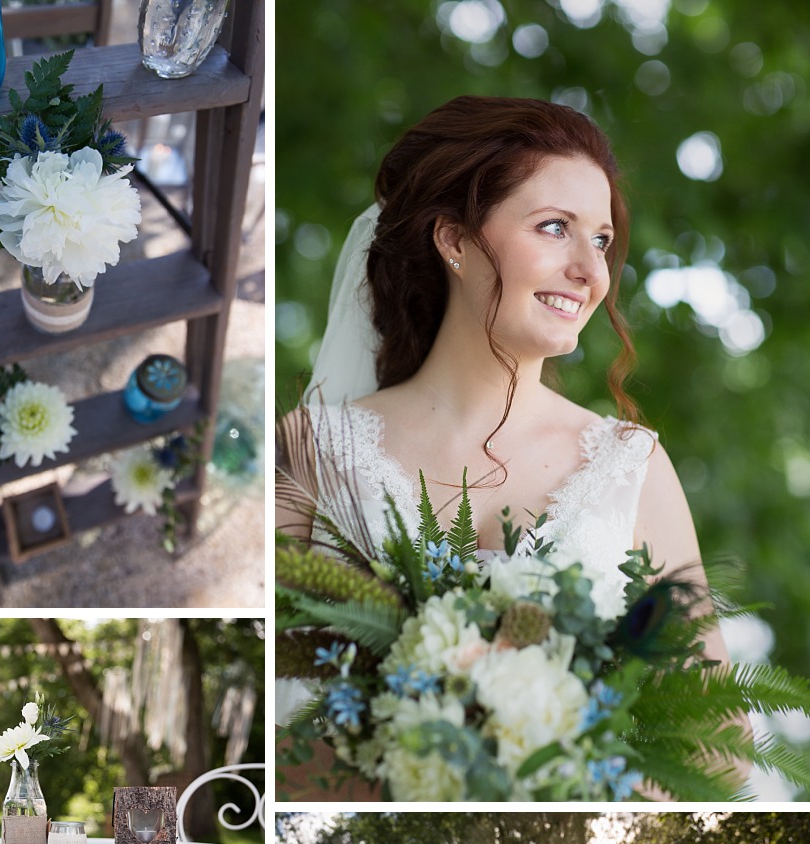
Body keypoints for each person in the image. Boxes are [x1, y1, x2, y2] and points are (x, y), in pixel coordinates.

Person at [276, 95, 733, 797]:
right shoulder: (310, 453)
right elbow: (266, 700)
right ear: (454, 241)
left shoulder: (631, 467)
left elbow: (710, 745)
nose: (591, 270)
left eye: (603, 240)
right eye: (555, 228)